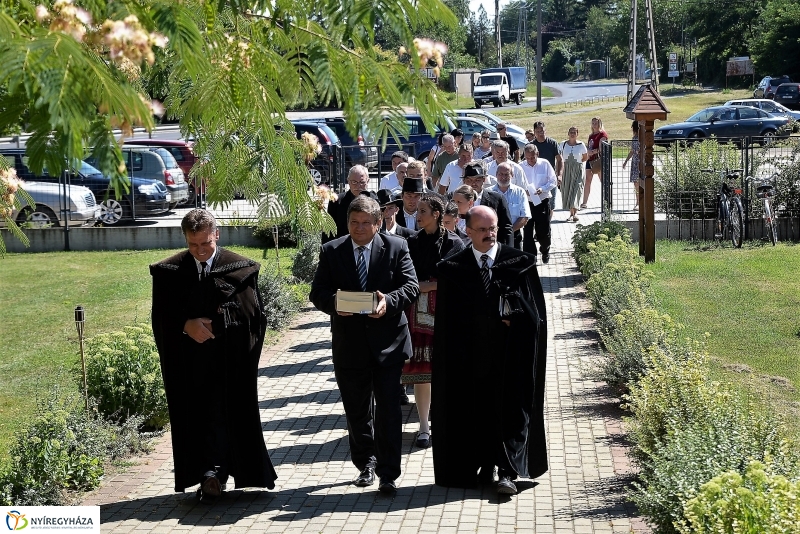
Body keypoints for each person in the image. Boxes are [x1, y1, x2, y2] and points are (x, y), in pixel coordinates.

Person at [150, 209, 277, 501]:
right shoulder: (169, 272)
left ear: (216, 235)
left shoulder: (240, 269)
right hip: (189, 361)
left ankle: (223, 472)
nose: (200, 250)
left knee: (228, 412)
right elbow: (161, 317)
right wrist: (186, 325)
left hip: (230, 360)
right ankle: (208, 474)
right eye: (193, 244)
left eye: (206, 243)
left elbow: (253, 318)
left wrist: (221, 324)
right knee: (197, 414)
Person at [432, 205, 548, 494]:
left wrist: (518, 317)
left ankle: (507, 471)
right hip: (469, 360)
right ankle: (479, 467)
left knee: (508, 412)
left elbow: (537, 318)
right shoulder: (452, 269)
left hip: (510, 358)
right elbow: (445, 323)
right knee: (472, 412)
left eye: (493, 228)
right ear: (467, 231)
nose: (489, 235)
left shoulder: (519, 263)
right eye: (482, 230)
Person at [309, 196, 420, 493]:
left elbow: (411, 286)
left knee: (388, 411)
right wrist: (333, 303)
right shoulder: (332, 250)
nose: (359, 228)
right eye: (353, 222)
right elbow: (317, 291)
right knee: (357, 411)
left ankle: (388, 473)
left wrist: (389, 302)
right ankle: (366, 464)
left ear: (378, 223)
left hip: (388, 344)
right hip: (350, 346)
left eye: (365, 223)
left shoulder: (396, 247)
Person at [403, 194, 465, 449]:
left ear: (437, 214)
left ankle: (447, 422)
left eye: (423, 211)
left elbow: (458, 278)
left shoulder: (454, 243)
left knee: (446, 370)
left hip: (447, 311)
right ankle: (424, 427)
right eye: (418, 211)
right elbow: (406, 276)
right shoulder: (412, 242)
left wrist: (428, 285)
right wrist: (423, 286)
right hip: (417, 314)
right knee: (422, 373)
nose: (418, 216)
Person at [460, 161, 514, 247]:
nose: (473, 183)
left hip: (490, 247)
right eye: (469, 180)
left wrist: (506, 253)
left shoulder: (497, 199)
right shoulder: (455, 199)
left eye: (477, 180)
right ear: (464, 181)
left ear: (484, 180)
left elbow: (506, 229)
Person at [520, 144, 557, 264]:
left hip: (542, 202)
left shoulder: (544, 164)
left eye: (533, 157)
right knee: (527, 232)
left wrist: (543, 188)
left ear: (537, 154)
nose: (530, 160)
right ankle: (531, 258)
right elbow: (516, 183)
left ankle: (545, 249)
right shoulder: (520, 167)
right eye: (528, 158)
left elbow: (553, 181)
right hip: (527, 203)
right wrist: (523, 191)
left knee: (543, 232)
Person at [322, 165, 376, 243]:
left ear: (367, 181)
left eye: (362, 182)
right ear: (348, 181)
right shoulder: (337, 201)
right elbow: (328, 230)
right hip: (343, 247)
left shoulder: (374, 200)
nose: (358, 186)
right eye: (354, 182)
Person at [488, 162, 530, 249]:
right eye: (501, 174)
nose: (503, 177)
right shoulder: (488, 193)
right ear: (496, 175)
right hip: (492, 237)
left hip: (514, 235)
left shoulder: (520, 192)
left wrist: (508, 232)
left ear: (512, 175)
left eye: (506, 174)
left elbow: (524, 217)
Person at [530, 121, 563, 220]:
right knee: (535, 203)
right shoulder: (531, 145)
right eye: (538, 131)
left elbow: (560, 160)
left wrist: (559, 175)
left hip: (550, 179)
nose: (540, 133)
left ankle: (547, 226)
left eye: (542, 131)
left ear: (545, 131)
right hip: (535, 179)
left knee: (550, 204)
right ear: (534, 132)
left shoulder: (552, 143)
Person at [560, 126, 588, 222]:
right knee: (568, 190)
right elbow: (560, 157)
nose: (572, 134)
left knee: (577, 190)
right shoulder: (563, 144)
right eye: (571, 132)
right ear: (568, 134)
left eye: (574, 132)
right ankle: (571, 214)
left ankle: (575, 213)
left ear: (577, 134)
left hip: (578, 170)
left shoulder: (581, 144)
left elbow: (585, 157)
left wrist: (577, 164)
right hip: (566, 169)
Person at [582, 117, 608, 209]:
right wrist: (588, 152)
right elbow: (589, 146)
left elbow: (601, 148)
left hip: (599, 160)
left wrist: (592, 152)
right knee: (588, 180)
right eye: (592, 123)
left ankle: (606, 201)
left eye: (596, 123)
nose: (594, 125)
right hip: (590, 160)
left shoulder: (603, 134)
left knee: (603, 181)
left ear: (599, 124)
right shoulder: (591, 135)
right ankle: (584, 202)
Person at [395, 162, 426, 231]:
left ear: (421, 197)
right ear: (402, 196)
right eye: (409, 196)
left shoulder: (427, 215)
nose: (412, 200)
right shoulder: (394, 214)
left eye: (416, 197)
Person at [622, 121, 641, 210]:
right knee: (636, 183)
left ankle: (642, 202)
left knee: (641, 183)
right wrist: (626, 161)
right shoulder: (634, 138)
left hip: (641, 162)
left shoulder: (643, 137)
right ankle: (638, 202)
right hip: (635, 162)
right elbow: (632, 151)